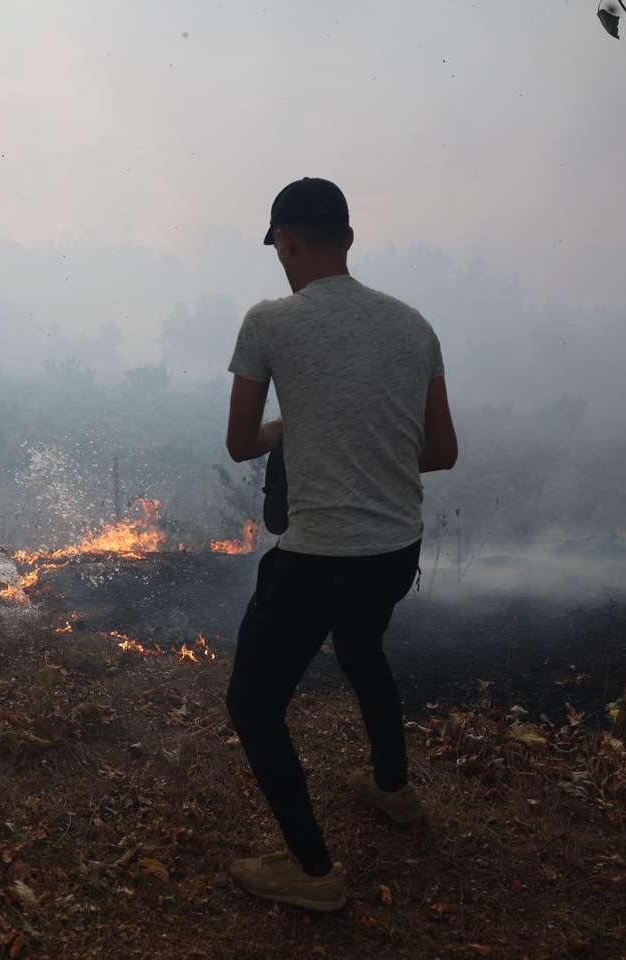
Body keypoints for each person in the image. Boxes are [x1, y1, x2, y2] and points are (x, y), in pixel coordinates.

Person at [223, 178, 459, 911]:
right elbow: (441, 450)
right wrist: (355, 444)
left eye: (280, 249)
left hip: (320, 559)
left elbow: (239, 444)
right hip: (395, 553)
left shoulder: (269, 323)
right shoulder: (414, 326)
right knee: (360, 651)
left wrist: (293, 430)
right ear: (349, 240)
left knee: (254, 707)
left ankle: (314, 874)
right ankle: (393, 791)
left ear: (285, 241)